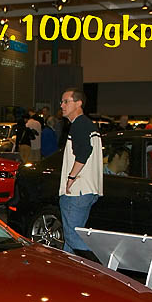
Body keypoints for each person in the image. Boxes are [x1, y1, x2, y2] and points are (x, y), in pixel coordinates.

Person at [57, 88, 103, 255]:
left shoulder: (79, 124)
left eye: (66, 101)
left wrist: (71, 177)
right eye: (61, 102)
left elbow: (84, 152)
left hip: (77, 191)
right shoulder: (89, 125)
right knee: (71, 241)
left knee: (73, 237)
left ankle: (97, 263)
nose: (62, 105)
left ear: (78, 103)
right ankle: (69, 268)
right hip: (88, 190)